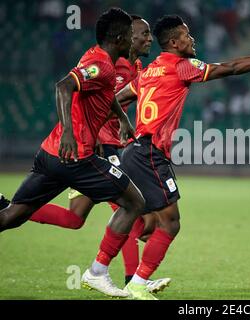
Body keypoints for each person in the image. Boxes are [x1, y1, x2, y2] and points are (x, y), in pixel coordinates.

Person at [81, 14, 250, 300]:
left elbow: (116, 98)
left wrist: (90, 127)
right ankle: (135, 282)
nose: (193, 40)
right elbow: (232, 67)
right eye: (188, 36)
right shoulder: (181, 67)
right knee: (170, 223)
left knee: (140, 218)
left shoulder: (148, 72)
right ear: (175, 43)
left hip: (134, 152)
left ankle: (102, 270)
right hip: (150, 154)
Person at [0, 8, 144, 298]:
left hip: (49, 155)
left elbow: (105, 95)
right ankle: (98, 273)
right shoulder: (101, 65)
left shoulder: (103, 61)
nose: (134, 40)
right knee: (134, 202)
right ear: (119, 38)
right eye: (131, 35)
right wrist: (68, 130)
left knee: (11, 216)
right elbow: (63, 86)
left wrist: (124, 120)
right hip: (76, 156)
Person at [26, 14, 171, 294]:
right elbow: (84, 94)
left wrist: (129, 124)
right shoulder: (109, 63)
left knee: (75, 218)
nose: (147, 38)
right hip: (99, 147)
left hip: (101, 145)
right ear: (126, 38)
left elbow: (113, 100)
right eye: (142, 33)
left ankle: (11, 208)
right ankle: (132, 280)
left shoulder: (137, 66)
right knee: (128, 208)